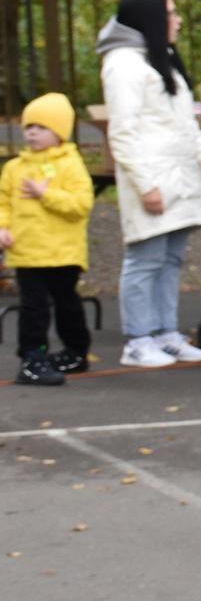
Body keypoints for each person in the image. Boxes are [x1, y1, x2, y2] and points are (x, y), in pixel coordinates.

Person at [99, 0, 201, 369]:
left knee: (170, 259)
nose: (177, 20)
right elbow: (122, 133)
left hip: (181, 179)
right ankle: (138, 339)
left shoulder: (162, 60)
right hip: (155, 180)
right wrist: (146, 185)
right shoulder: (123, 64)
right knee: (145, 259)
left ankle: (165, 333)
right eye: (171, 13)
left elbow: (185, 123)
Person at [4, 92, 96, 386]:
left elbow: (80, 204)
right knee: (34, 307)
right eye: (29, 127)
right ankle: (33, 356)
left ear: (59, 132)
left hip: (63, 251)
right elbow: (3, 203)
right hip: (28, 252)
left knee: (67, 303)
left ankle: (76, 351)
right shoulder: (14, 168)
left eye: (41, 127)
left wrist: (46, 195)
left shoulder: (70, 164)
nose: (32, 133)